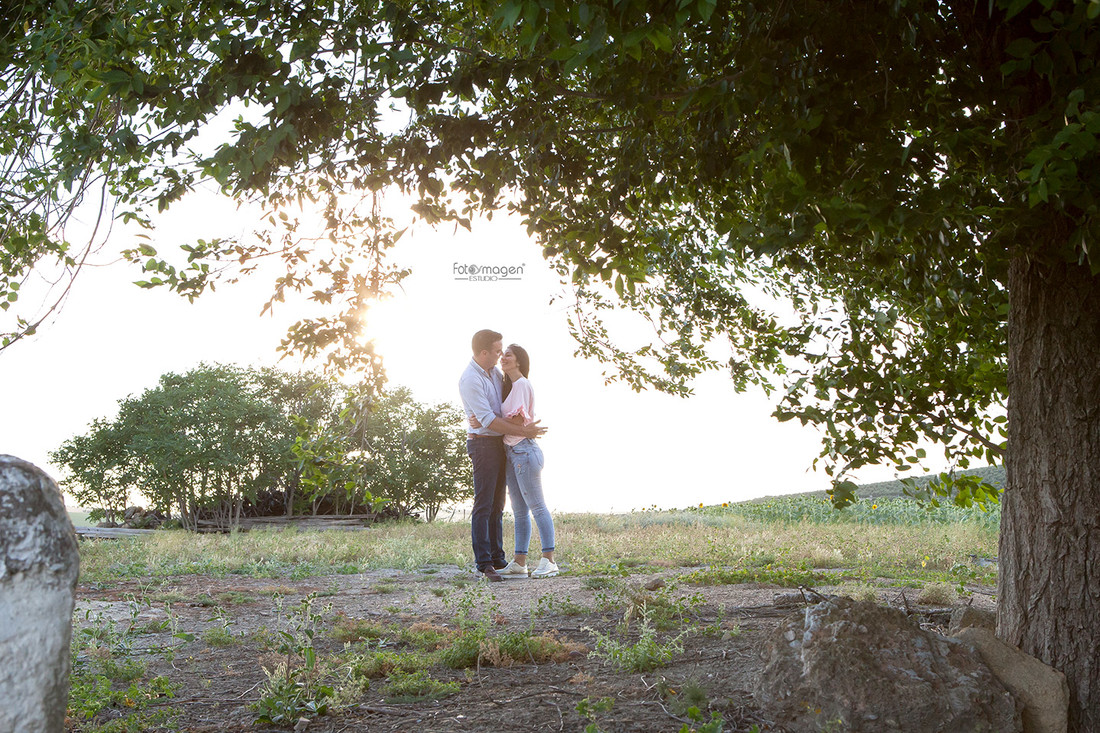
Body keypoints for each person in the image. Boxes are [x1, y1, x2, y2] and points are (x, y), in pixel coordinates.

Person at [458, 330, 546, 582]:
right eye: (497, 351)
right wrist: (523, 430)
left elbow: (503, 405)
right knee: (484, 503)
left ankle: (498, 558)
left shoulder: (494, 373)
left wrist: (516, 423)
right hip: (482, 444)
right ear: (483, 352)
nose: (500, 355)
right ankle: (484, 562)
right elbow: (487, 419)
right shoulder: (470, 379)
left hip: (499, 443)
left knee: (498, 504)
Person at [495, 344, 558, 579]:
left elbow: (519, 420)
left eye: (507, 355)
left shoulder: (521, 384)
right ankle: (520, 562)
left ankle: (549, 560)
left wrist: (492, 420)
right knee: (520, 511)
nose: (503, 358)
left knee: (537, 506)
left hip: (524, 451)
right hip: (512, 450)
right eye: (502, 356)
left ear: (519, 360)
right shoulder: (512, 386)